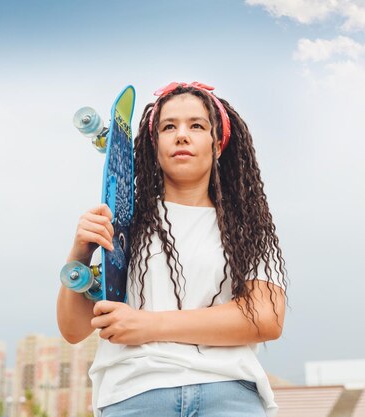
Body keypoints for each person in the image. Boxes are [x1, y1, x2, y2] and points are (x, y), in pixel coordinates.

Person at [57, 81, 288, 417]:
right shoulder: (124, 225)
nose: (182, 135)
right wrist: (80, 256)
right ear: (154, 145)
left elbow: (266, 318)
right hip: (135, 393)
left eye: (196, 125)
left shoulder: (245, 230)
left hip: (227, 392)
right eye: (169, 127)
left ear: (218, 143)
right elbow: (74, 330)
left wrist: (150, 325)